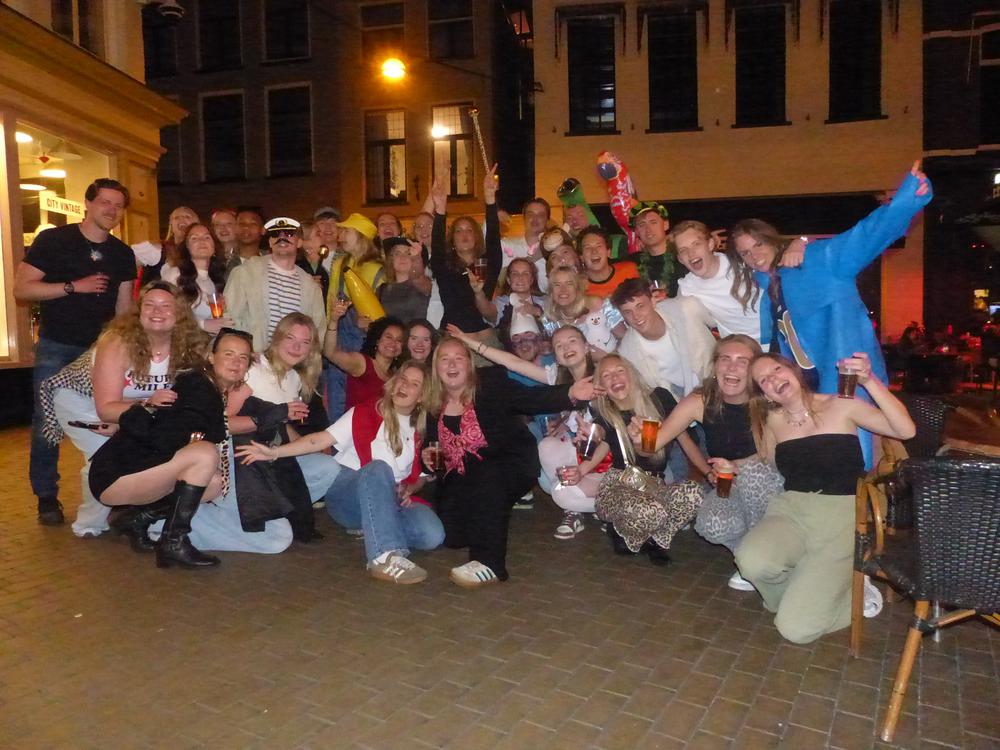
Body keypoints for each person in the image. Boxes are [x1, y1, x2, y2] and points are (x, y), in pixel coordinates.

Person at [729, 161, 932, 467]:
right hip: (806, 383)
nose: (754, 255)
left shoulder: (817, 260)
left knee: (854, 455)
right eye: (745, 252)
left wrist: (910, 196)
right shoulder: (767, 287)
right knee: (817, 452)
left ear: (772, 239)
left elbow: (866, 235)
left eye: (758, 244)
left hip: (845, 372)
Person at [736, 351, 915, 643]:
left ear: (794, 370)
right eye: (764, 380)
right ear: (765, 395)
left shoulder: (841, 405)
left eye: (777, 370)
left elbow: (905, 430)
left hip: (840, 514)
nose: (773, 380)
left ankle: (852, 591)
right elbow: (766, 458)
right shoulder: (773, 420)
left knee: (796, 631)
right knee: (751, 560)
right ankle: (806, 593)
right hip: (791, 510)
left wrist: (869, 381)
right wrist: (733, 465)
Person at [239, 361, 445, 584]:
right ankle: (384, 556)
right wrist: (274, 452)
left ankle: (376, 526)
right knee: (378, 468)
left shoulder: (420, 429)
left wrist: (408, 488)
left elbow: (419, 478)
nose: (404, 386)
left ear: (422, 396)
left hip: (391, 499)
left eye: (414, 384)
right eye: (403, 379)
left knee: (432, 535)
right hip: (349, 494)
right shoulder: (365, 411)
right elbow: (319, 440)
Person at [424, 337, 601, 586]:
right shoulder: (434, 402)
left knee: (488, 478)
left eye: (458, 358)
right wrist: (426, 459)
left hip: (508, 462)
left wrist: (570, 392)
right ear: (436, 367)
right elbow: (431, 448)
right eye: (445, 359)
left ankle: (489, 564)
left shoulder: (490, 386)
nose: (452, 365)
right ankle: (489, 515)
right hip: (463, 474)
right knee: (453, 537)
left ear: (469, 364)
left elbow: (530, 398)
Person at [39, 281, 207, 537]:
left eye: (166, 306)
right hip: (82, 401)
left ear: (180, 314)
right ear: (138, 312)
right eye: (149, 305)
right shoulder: (117, 343)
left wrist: (141, 415)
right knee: (103, 454)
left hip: (139, 406)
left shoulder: (187, 347)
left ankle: (141, 515)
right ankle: (89, 524)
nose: (157, 311)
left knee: (153, 449)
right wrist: (137, 415)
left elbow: (182, 400)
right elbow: (106, 408)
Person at [14, 177, 137, 525]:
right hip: (58, 344)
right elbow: (22, 289)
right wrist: (73, 287)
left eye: (118, 205)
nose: (112, 210)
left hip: (102, 351)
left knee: (111, 417)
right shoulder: (54, 241)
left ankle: (114, 492)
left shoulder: (122, 253)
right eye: (105, 202)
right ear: (88, 203)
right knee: (46, 421)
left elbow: (125, 309)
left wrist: (126, 347)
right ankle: (46, 497)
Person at [87, 329, 262, 569]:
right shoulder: (197, 384)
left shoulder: (211, 388)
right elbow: (169, 434)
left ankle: (136, 519)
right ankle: (173, 542)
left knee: (214, 483)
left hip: (135, 471)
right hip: (115, 474)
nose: (236, 362)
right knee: (205, 454)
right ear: (211, 357)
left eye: (243, 357)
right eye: (228, 354)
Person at [634, 335, 784, 589]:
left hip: (770, 482)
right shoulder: (700, 401)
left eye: (743, 361)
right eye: (725, 359)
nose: (732, 367)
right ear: (715, 366)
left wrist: (736, 466)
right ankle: (749, 558)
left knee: (754, 474)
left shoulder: (769, 401)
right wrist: (640, 439)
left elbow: (770, 454)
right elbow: (652, 447)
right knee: (710, 524)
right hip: (728, 482)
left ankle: (769, 558)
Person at [449, 323, 611, 540]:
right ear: (555, 356)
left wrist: (593, 439)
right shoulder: (557, 377)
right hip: (580, 452)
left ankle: (611, 506)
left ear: (586, 346)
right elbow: (514, 363)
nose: (566, 347)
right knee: (547, 462)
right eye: (559, 345)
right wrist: (469, 342)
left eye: (572, 341)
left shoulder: (604, 376)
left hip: (609, 458)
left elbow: (613, 428)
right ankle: (578, 509)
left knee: (558, 486)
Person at [590, 354, 704, 564]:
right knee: (651, 511)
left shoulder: (660, 398)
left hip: (653, 484)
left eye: (620, 371)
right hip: (618, 486)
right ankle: (622, 531)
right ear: (602, 387)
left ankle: (656, 539)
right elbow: (596, 435)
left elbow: (685, 440)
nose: (614, 378)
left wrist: (708, 471)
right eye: (606, 375)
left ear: (632, 374)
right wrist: (590, 437)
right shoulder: (604, 415)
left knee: (694, 494)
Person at [224, 216, 326, 351]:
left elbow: (318, 332)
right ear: (270, 242)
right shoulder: (245, 273)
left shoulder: (310, 286)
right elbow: (229, 317)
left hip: (293, 360)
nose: (281, 238)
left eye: (289, 234)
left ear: (300, 242)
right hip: (254, 357)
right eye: (275, 234)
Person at [429, 166, 502, 343]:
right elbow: (437, 245)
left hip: (483, 338)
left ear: (476, 236)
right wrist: (440, 209)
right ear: (452, 240)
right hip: (452, 339)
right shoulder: (444, 267)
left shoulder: (486, 264)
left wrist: (490, 199)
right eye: (459, 231)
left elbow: (493, 237)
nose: (464, 235)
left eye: (469, 230)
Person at [325, 212, 385, 421]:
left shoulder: (378, 269)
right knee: (336, 393)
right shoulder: (339, 263)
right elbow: (332, 297)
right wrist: (330, 328)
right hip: (340, 333)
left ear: (361, 235)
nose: (340, 235)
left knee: (359, 393)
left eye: (346, 231)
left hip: (363, 337)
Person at [674, 220, 762, 342]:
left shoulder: (738, 262)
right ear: (680, 259)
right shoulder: (687, 287)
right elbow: (673, 321)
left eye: (696, 244)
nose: (691, 253)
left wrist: (793, 246)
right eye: (683, 250)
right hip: (739, 346)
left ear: (710, 244)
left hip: (777, 336)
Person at [324, 310, 404, 410]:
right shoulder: (362, 363)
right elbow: (330, 353)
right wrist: (333, 321)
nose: (393, 343)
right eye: (388, 337)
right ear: (377, 340)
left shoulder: (397, 376)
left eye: (399, 340)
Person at [161, 223, 232, 333]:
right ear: (187, 247)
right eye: (194, 238)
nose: (201, 241)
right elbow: (165, 311)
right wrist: (202, 324)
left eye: (207, 237)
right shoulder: (175, 275)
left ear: (214, 246)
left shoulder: (218, 279)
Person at [541, 266, 625, 358]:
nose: (563, 290)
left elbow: (624, 337)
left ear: (577, 288)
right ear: (551, 291)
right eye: (557, 285)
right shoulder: (549, 320)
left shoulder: (598, 305)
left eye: (569, 284)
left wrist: (607, 358)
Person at [478, 257, 545, 341]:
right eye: (515, 274)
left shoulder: (544, 301)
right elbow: (488, 313)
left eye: (525, 273)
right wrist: (478, 293)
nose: (520, 277)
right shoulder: (502, 302)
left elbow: (554, 328)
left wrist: (538, 312)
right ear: (509, 280)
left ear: (531, 280)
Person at [629, 201, 681, 298]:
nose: (648, 229)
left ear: (665, 225)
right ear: (636, 231)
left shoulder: (683, 256)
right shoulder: (632, 263)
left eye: (653, 222)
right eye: (642, 225)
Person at [500, 198, 551, 292]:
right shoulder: (507, 245)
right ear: (524, 218)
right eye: (531, 214)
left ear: (547, 220)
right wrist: (492, 218)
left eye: (541, 215)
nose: (535, 219)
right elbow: (486, 244)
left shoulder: (554, 252)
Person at [378, 236, 431, 324]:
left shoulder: (423, 285)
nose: (402, 257)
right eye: (397, 253)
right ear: (391, 259)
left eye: (408, 253)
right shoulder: (381, 289)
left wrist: (416, 257)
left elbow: (418, 277)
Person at [578, 227, 639, 299]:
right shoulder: (579, 288)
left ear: (608, 252)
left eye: (599, 246)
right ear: (581, 257)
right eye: (587, 248)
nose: (594, 251)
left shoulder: (629, 270)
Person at [295, 220, 330, 301]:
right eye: (318, 234)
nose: (323, 235)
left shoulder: (325, 263)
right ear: (305, 243)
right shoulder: (296, 268)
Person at [227, 206, 267, 274]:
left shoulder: (273, 261)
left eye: (253, 224)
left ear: (263, 230)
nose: (246, 227)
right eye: (241, 224)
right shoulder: (225, 265)